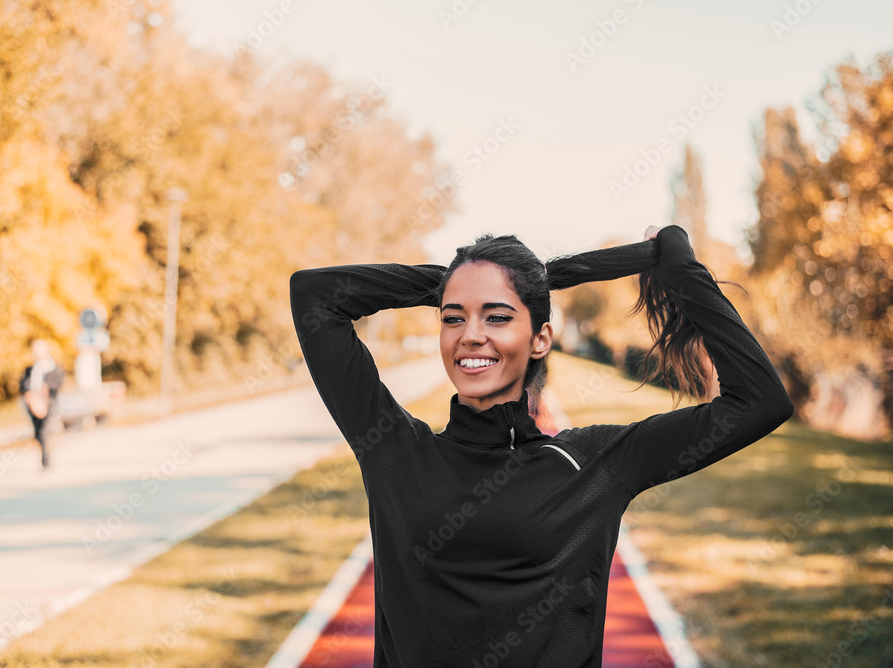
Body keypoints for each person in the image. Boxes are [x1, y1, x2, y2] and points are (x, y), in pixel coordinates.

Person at [288, 224, 794, 667]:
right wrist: (471, 279)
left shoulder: (596, 465)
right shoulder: (393, 449)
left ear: (541, 339)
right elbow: (315, 293)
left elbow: (759, 401)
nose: (471, 335)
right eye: (452, 317)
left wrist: (680, 267)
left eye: (499, 317)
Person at [19, 339, 65, 470]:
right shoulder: (30, 370)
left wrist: (44, 393)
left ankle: (46, 460)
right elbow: (23, 385)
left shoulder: (54, 368)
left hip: (49, 404)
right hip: (33, 404)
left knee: (45, 430)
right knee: (38, 432)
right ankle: (45, 454)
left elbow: (56, 384)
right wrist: (31, 396)